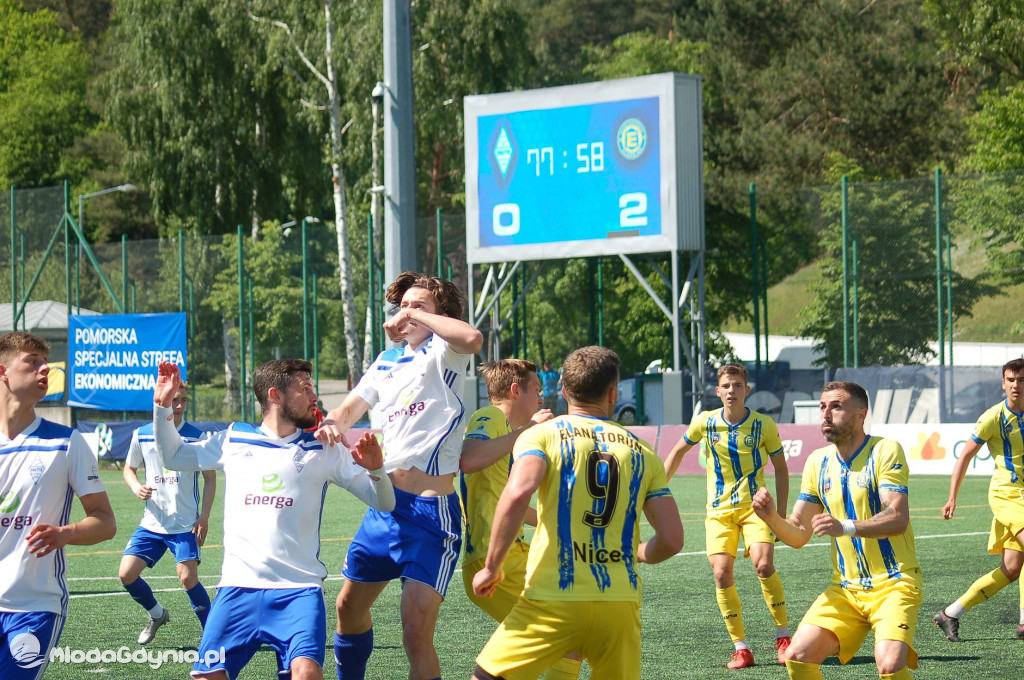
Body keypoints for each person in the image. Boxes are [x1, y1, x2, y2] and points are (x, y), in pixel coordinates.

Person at [152, 359, 395, 680]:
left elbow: (385, 503)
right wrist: (162, 405)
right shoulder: (233, 439)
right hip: (237, 590)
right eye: (305, 388)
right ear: (275, 395)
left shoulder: (324, 448)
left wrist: (376, 469)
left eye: (313, 387)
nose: (315, 396)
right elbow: (172, 457)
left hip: (298, 592)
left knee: (306, 673)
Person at [471, 345, 684, 680]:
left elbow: (516, 495)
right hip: (619, 602)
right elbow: (672, 540)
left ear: (565, 391)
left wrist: (492, 566)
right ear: (613, 393)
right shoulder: (643, 452)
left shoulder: (540, 435)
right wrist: (641, 552)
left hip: (553, 594)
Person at [315, 271, 483, 680]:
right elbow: (348, 409)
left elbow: (473, 339)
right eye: (403, 305)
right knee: (347, 608)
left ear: (438, 315)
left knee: (414, 633)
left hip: (430, 516)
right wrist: (332, 421)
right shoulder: (386, 360)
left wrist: (422, 318)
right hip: (383, 507)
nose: (406, 312)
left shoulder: (446, 351)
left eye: (418, 305)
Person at [751, 381, 921, 680]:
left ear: (860, 414)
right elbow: (800, 533)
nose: (825, 414)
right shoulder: (818, 461)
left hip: (894, 582)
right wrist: (771, 519)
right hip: (845, 588)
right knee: (797, 656)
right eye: (822, 407)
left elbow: (897, 518)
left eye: (836, 406)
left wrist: (844, 526)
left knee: (890, 664)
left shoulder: (885, 450)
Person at [0, 332, 117, 678]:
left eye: (45, 362)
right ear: (3, 372)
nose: (44, 369)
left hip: (34, 607)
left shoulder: (66, 443)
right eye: (32, 361)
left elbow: (106, 521)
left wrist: (65, 533)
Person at [662, 362, 790, 668]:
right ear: (717, 391)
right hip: (718, 512)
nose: (731, 390)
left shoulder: (764, 426)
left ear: (747, 390)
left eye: (737, 385)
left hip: (755, 510)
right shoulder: (705, 423)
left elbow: (782, 469)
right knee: (721, 572)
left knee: (763, 565)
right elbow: (678, 450)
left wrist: (780, 516)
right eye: (726, 386)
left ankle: (783, 637)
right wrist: (656, 488)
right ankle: (741, 648)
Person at [460, 359, 580, 680]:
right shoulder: (491, 416)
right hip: (496, 559)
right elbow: (468, 459)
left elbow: (506, 504)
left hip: (508, 556)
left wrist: (553, 519)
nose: (541, 399)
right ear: (516, 390)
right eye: (537, 390)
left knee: (551, 636)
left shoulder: (507, 432)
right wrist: (529, 429)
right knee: (566, 630)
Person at [119, 380, 216, 645]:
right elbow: (129, 469)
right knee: (126, 574)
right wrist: (136, 486)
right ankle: (157, 614)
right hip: (152, 522)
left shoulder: (197, 437)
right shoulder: (143, 434)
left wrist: (204, 515)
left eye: (184, 400)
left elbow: (210, 478)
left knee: (187, 578)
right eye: (174, 400)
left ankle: (212, 634)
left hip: (185, 524)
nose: (180, 406)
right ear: (161, 402)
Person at [934, 357, 1024, 642]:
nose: (1016, 385)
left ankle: (950, 613)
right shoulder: (993, 417)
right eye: (1011, 380)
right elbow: (965, 456)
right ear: (1003, 383)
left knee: (1011, 569)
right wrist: (952, 497)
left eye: (1021, 380)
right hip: (1006, 494)